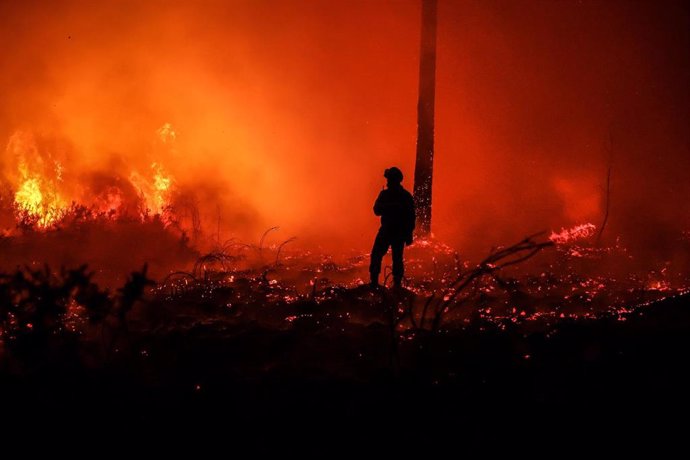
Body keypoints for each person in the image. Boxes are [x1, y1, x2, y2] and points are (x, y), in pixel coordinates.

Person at [369, 166, 416, 288]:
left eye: (389, 179)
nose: (388, 182)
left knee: (395, 258)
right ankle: (375, 283)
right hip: (389, 230)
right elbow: (376, 210)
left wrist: (408, 234)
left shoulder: (404, 197)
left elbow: (411, 217)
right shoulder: (389, 195)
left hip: (396, 232)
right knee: (377, 255)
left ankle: (396, 284)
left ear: (394, 180)